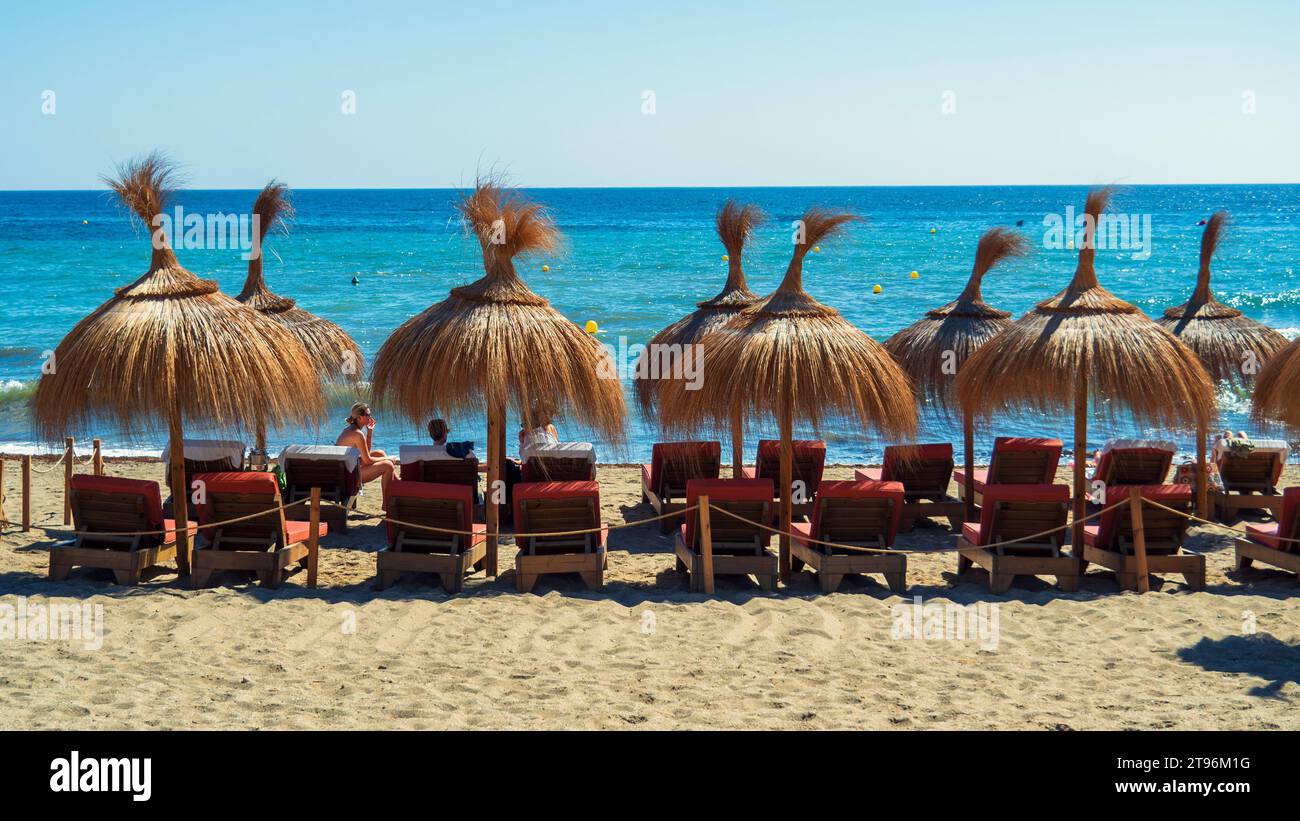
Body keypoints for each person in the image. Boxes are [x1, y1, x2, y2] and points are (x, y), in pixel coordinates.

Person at [336, 402, 396, 492]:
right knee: (388, 465)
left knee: (380, 453)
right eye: (368, 415)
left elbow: (365, 455)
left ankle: (397, 483)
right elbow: (367, 460)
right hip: (349, 477)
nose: (370, 417)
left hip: (346, 470)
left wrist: (370, 433)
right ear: (359, 418)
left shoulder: (350, 430)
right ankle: (386, 505)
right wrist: (388, 458)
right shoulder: (357, 434)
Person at [426, 418, 481, 503]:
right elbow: (474, 464)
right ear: (445, 434)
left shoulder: (424, 455)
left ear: (431, 434)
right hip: (461, 498)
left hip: (435, 499)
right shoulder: (463, 452)